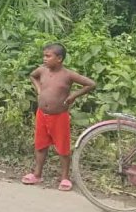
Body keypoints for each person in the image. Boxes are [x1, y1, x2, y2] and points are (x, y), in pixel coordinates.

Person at [22, 43, 96, 192]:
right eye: (44, 55)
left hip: (59, 116)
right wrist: (39, 89)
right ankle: (37, 174)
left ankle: (65, 177)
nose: (44, 59)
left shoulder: (68, 75)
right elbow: (32, 75)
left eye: (48, 56)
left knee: (63, 148)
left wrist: (73, 95)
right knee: (40, 145)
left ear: (59, 59)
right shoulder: (42, 71)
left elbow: (91, 84)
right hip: (42, 114)